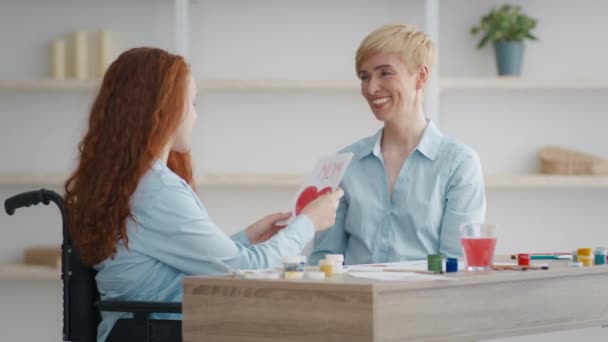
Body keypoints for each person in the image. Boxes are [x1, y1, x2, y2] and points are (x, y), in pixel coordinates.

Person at [63, 47, 343, 341]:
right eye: (193, 103)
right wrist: (308, 223)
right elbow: (244, 271)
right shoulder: (158, 190)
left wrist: (246, 238)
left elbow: (180, 266)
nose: (196, 116)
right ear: (165, 108)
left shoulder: (130, 183)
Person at [309, 24, 485, 266]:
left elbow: (456, 263)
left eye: (385, 73)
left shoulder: (459, 162)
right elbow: (324, 259)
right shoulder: (344, 162)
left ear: (420, 77)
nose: (371, 88)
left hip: (427, 300)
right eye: (364, 77)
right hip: (355, 300)